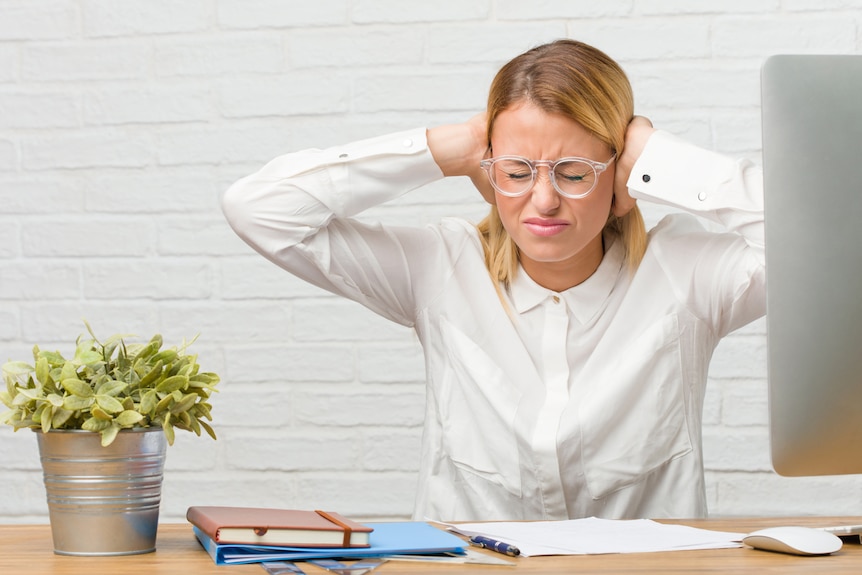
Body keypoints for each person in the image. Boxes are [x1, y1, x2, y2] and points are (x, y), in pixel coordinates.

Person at [221, 39, 764, 521]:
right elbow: (258, 209)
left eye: (575, 173)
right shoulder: (440, 266)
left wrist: (657, 156)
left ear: (619, 171)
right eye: (517, 172)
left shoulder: (685, 274)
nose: (544, 200)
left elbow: (835, 243)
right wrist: (448, 148)